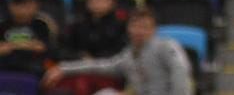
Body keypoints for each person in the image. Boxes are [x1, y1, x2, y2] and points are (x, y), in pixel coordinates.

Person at [42, 7, 192, 95]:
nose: (139, 31)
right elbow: (99, 66)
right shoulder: (128, 55)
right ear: (128, 28)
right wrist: (63, 68)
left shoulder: (166, 46)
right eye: (135, 26)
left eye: (145, 27)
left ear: (154, 30)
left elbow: (180, 71)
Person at [62, 0, 128, 60]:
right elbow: (65, 47)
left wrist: (96, 59)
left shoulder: (120, 25)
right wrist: (79, 56)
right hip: (79, 63)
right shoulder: (77, 23)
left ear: (112, 3)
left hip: (109, 64)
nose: (98, 2)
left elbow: (121, 51)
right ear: (87, 2)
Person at [0, 0, 55, 78]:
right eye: (20, 6)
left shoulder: (40, 24)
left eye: (28, 6)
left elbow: (41, 47)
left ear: (36, 6)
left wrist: (11, 46)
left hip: (33, 68)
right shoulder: (3, 25)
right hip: (5, 67)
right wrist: (28, 45)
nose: (24, 11)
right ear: (11, 6)